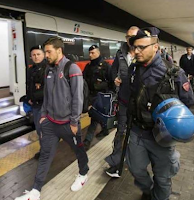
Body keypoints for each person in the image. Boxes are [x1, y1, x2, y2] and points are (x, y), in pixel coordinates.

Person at [15, 37, 89, 200]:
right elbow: (47, 96)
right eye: (45, 51)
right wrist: (43, 116)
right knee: (45, 155)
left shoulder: (72, 68)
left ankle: (83, 173)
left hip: (68, 124)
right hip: (50, 123)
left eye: (48, 51)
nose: (45, 55)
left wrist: (74, 122)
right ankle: (35, 191)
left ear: (59, 50)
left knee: (78, 150)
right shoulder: (49, 70)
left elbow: (77, 98)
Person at [125, 27, 194, 200]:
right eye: (135, 47)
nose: (137, 51)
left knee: (163, 178)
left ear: (155, 47)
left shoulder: (174, 73)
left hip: (161, 137)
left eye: (142, 47)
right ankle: (148, 191)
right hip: (137, 131)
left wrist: (179, 126)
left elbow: (189, 104)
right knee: (135, 169)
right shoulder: (133, 69)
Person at [105, 26, 139, 177]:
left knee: (139, 133)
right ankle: (116, 163)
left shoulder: (144, 52)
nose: (129, 39)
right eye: (127, 36)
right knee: (121, 131)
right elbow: (113, 70)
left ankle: (138, 160)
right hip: (124, 100)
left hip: (140, 103)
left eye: (132, 36)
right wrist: (115, 78)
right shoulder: (120, 53)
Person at [83, 44, 112, 150]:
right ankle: (105, 129)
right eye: (89, 53)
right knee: (97, 115)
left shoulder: (105, 66)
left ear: (98, 53)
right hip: (90, 96)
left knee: (94, 118)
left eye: (93, 53)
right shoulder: (88, 67)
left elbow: (111, 82)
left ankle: (87, 141)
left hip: (101, 96)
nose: (90, 55)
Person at [27, 45, 47, 159]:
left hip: (45, 105)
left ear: (43, 55)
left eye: (38, 54)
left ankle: (45, 152)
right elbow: (29, 86)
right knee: (39, 129)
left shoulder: (48, 69)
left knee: (43, 129)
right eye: (33, 55)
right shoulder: (31, 69)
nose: (36, 57)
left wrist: (33, 97)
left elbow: (49, 90)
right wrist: (28, 97)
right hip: (35, 105)